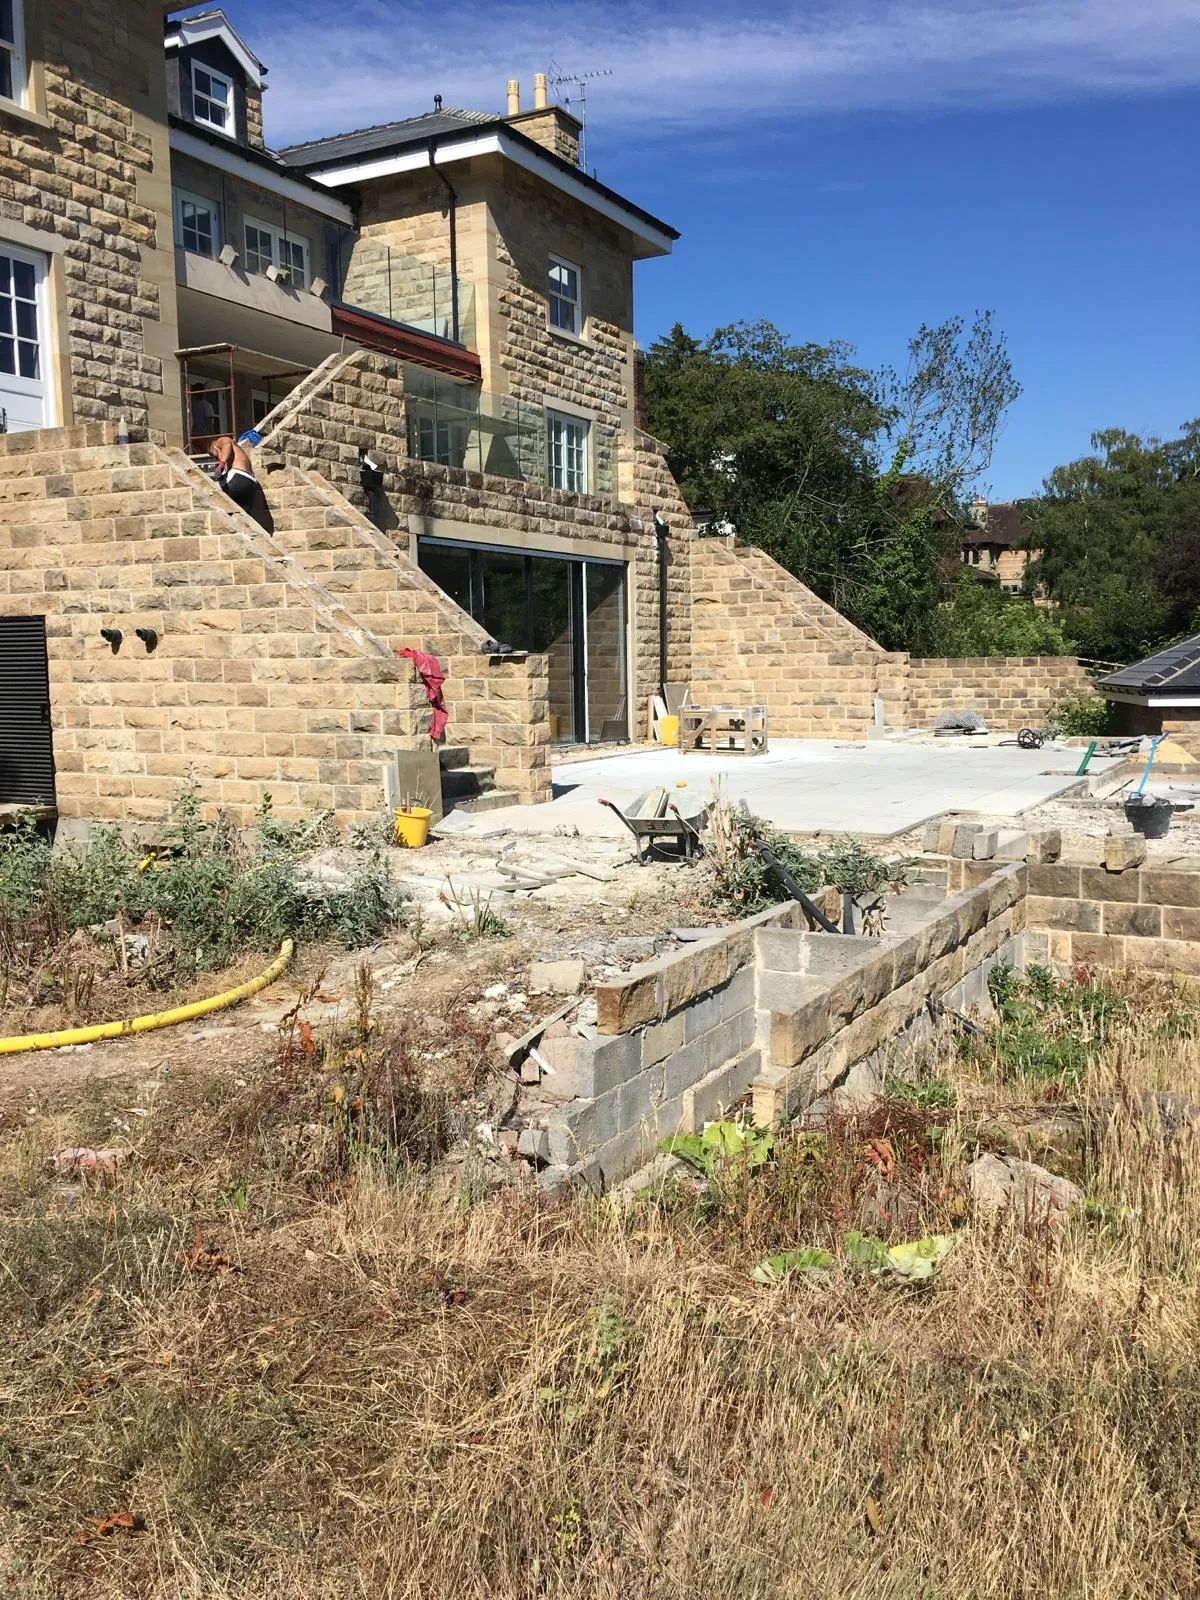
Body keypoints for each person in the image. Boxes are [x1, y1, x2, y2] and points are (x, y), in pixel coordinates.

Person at [208, 434, 272, 531]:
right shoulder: (238, 454)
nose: (215, 458)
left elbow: (226, 444)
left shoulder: (221, 441)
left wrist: (221, 463)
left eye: (213, 454)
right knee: (246, 521)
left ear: (214, 447)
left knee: (209, 493)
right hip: (251, 485)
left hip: (238, 477)